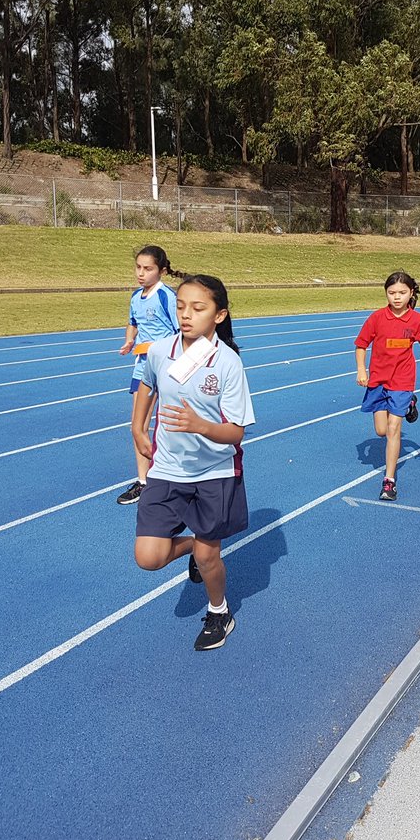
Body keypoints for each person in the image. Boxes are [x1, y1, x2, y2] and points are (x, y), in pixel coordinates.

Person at [132, 275, 255, 651]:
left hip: (214, 472)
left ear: (219, 315)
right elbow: (147, 384)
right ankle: (192, 548)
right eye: (181, 306)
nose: (186, 315)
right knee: (148, 558)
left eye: (197, 308)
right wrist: (137, 427)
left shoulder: (228, 362)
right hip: (168, 470)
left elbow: (236, 433)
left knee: (209, 554)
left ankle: (220, 611)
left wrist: (200, 426)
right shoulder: (160, 350)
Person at [355, 270, 420, 502]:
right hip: (378, 381)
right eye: (392, 292)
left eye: (402, 293)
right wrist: (362, 370)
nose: (397, 297)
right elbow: (361, 345)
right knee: (381, 431)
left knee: (393, 429)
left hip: (402, 381)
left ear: (411, 293)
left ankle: (389, 481)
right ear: (386, 293)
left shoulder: (417, 320)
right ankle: (411, 402)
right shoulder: (377, 318)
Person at [117, 245, 182, 505]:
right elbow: (133, 322)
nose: (141, 273)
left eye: (148, 268)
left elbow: (182, 331)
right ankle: (144, 481)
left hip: (167, 366)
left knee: (171, 423)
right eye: (138, 267)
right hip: (142, 367)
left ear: (162, 271)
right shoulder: (135, 296)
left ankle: (175, 475)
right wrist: (129, 341)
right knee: (138, 426)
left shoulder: (167, 296)